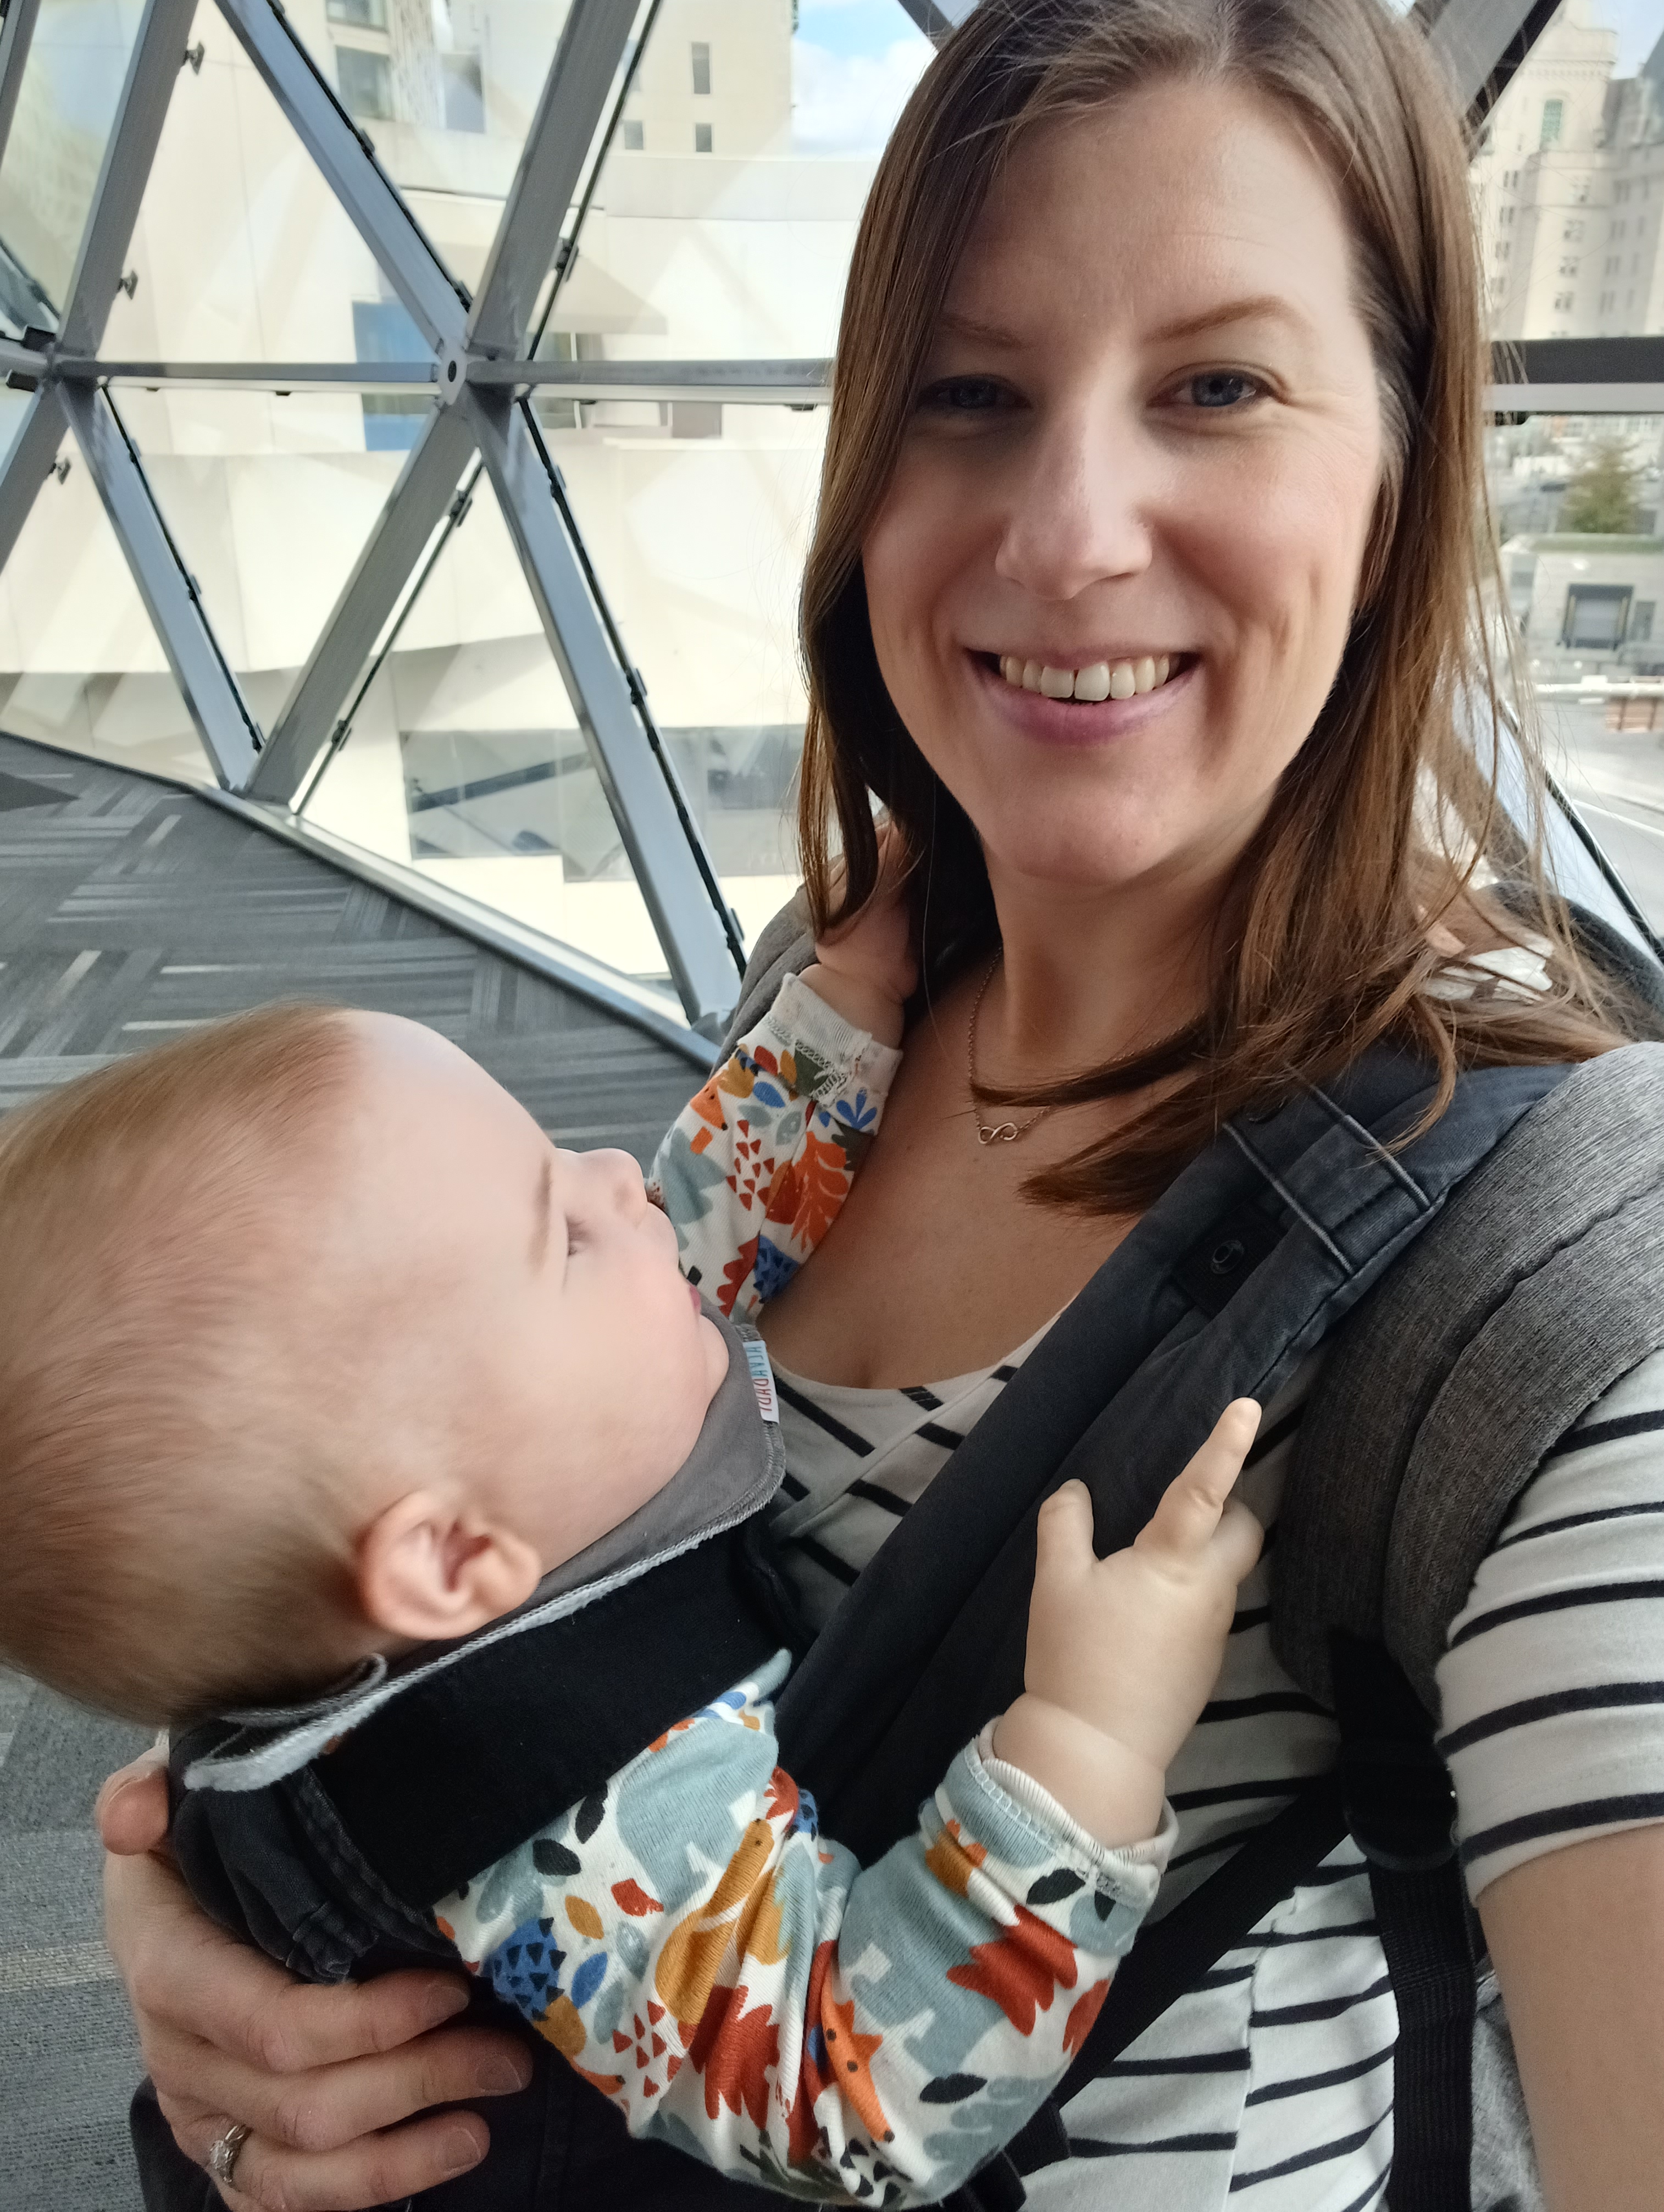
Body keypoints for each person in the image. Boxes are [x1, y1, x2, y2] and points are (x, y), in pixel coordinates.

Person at [97, 0, 1664, 2205]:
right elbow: (441, 1541)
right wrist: (257, 1940)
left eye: (1219, 386)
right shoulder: (832, 1023)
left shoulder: (1565, 1275)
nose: (1064, 533)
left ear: (1412, 459)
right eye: (968, 392)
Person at [0, 921, 1263, 2202]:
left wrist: (835, 1025)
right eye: (561, 1237)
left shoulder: (470, 1529)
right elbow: (846, 2094)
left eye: (556, 1150)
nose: (618, 1171)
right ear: (448, 1557)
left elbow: (685, 1248)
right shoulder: (566, 1799)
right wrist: (1086, 1741)